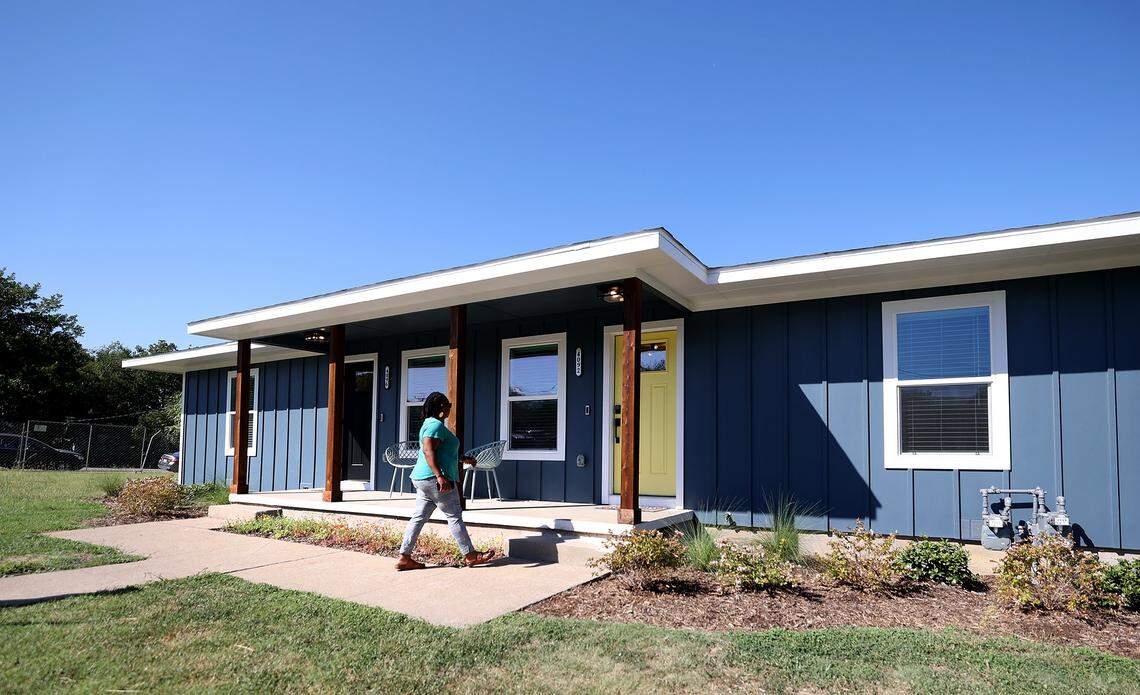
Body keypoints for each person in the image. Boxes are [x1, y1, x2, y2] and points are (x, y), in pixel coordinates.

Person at [395, 391, 495, 571]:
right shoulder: (435, 425)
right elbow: (428, 451)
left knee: (418, 518)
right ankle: (470, 555)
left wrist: (464, 458)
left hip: (422, 479)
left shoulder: (429, 424)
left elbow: (442, 452)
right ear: (441, 407)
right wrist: (440, 476)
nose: (450, 407)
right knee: (454, 516)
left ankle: (404, 557)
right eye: (447, 405)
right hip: (434, 478)